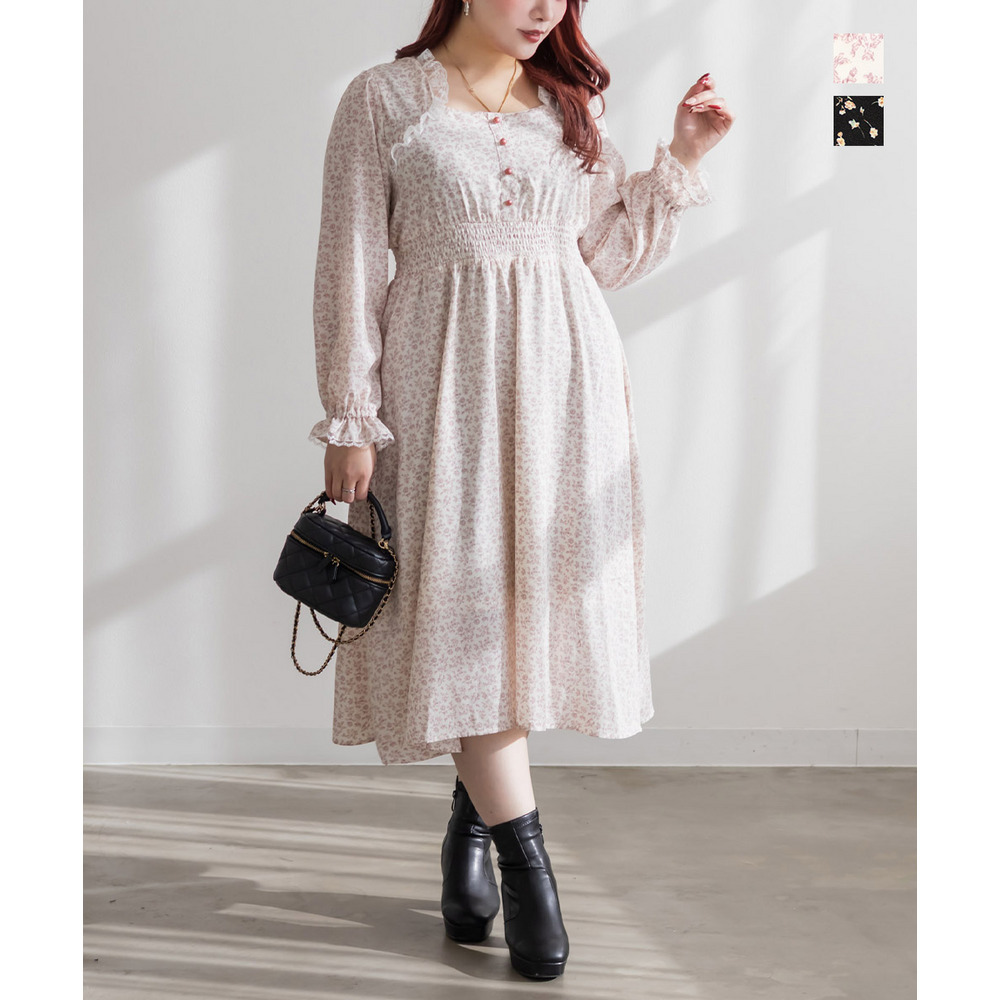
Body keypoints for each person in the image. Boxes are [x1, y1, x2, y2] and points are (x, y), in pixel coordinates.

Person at [308, 0, 733, 980]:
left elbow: (603, 259)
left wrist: (683, 157)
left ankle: (471, 827)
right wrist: (350, 416)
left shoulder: (566, 102)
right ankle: (526, 867)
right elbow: (348, 264)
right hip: (440, 387)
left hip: (566, 386)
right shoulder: (382, 100)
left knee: (526, 616)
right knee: (461, 613)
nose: (546, 9)